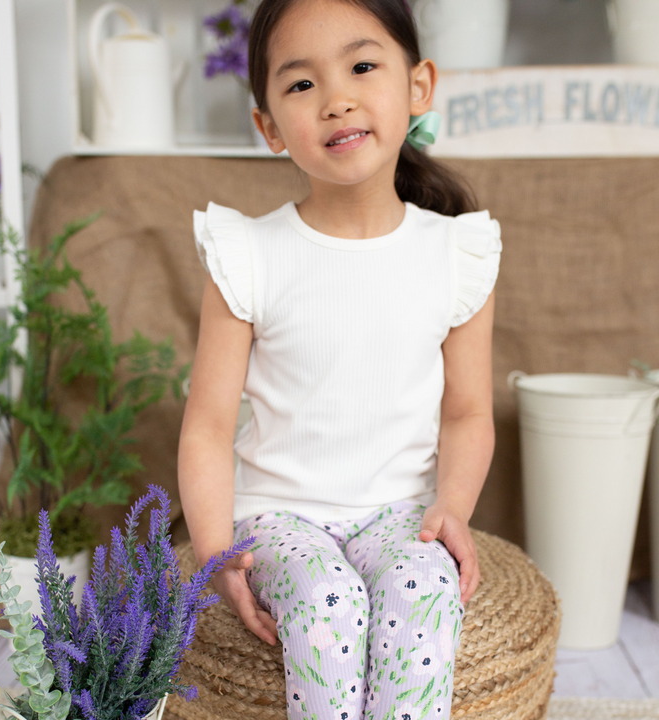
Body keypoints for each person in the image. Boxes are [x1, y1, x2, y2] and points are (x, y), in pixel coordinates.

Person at [177, 0, 501, 717]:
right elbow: (206, 424)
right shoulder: (248, 255)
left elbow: (470, 412)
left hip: (400, 513)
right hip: (280, 517)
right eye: (301, 85)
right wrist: (214, 551)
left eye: (361, 66)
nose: (338, 99)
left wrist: (451, 508)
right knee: (328, 601)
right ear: (267, 126)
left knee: (423, 588)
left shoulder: (457, 255)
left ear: (418, 87)